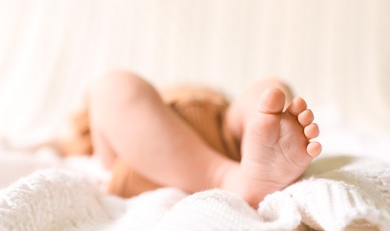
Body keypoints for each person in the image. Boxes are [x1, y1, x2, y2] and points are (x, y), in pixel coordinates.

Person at [88, 71, 321, 208]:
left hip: (227, 138)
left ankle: (270, 132)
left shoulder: (216, 106)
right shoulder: (152, 109)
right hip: (155, 155)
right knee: (113, 88)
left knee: (268, 89)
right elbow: (107, 160)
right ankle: (226, 177)